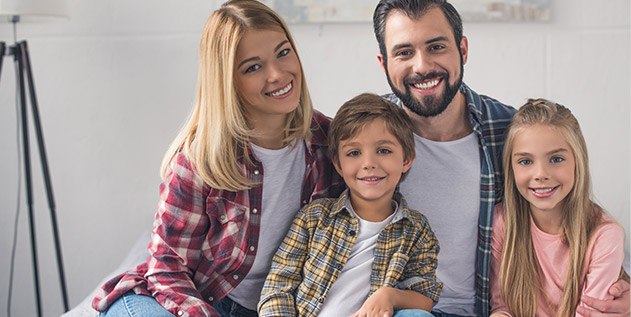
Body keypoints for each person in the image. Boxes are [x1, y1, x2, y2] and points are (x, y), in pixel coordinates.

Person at [371, 0, 630, 316]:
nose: (422, 65)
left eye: (436, 46)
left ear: (462, 49)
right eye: (404, 52)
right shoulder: (365, 138)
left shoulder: (511, 133)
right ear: (383, 62)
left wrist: (620, 292)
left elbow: (575, 226)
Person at [91, 1, 342, 316]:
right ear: (227, 80)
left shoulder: (328, 141)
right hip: (182, 297)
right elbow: (167, 268)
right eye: (253, 67)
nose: (278, 74)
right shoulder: (199, 161)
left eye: (283, 52)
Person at [258, 93, 441, 317]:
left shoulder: (416, 229)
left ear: (406, 159)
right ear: (338, 164)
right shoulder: (314, 218)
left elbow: (425, 297)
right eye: (354, 153)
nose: (368, 164)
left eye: (383, 150)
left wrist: (389, 295)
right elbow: (278, 285)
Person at [489, 99, 625, 316]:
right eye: (525, 161)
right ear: (511, 167)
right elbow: (501, 306)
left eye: (556, 159)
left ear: (578, 161)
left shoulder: (605, 235)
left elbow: (592, 313)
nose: (541, 173)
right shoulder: (502, 223)